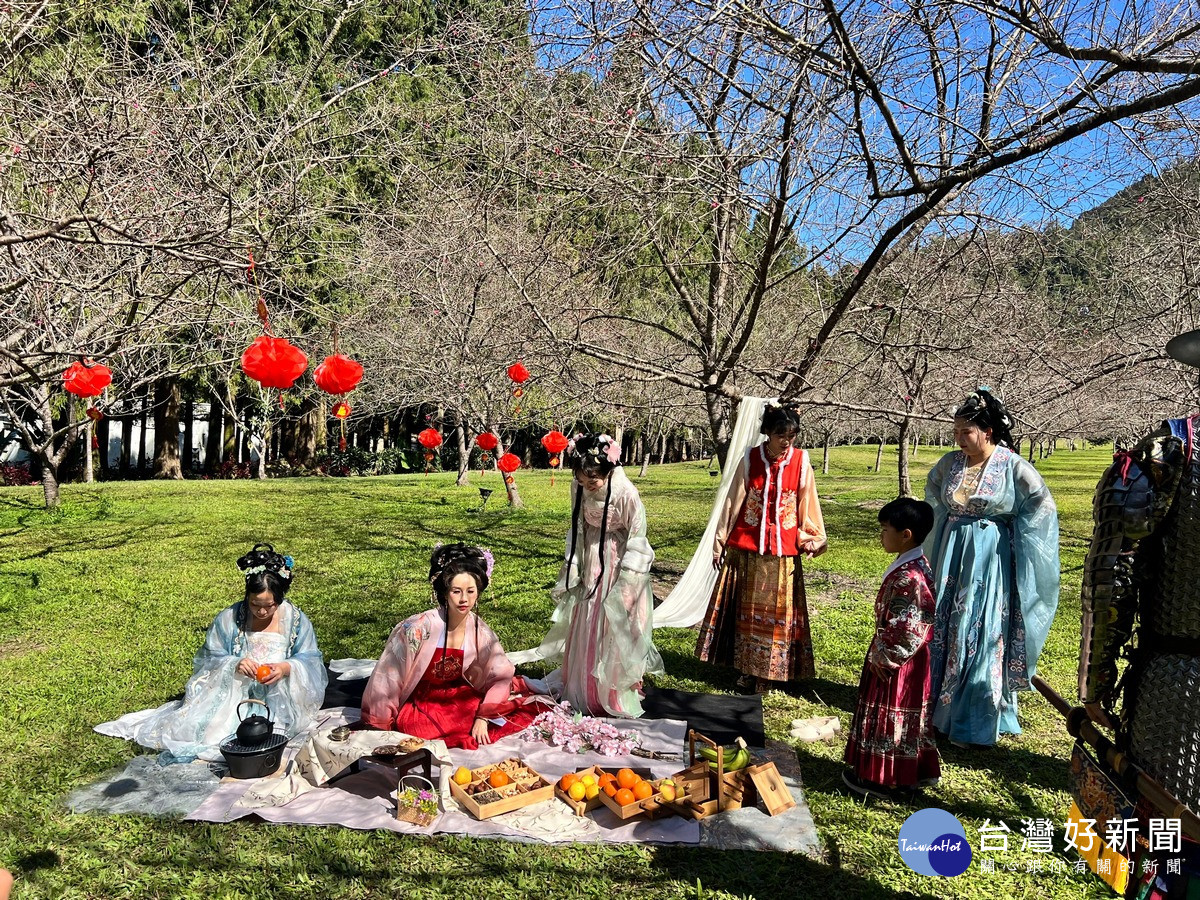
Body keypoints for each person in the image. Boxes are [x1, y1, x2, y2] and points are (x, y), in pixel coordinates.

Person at [1077, 328, 1200, 897]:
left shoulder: (1170, 453)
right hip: (1179, 679)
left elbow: (1112, 577)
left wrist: (1096, 684)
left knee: (1166, 853)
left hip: (1180, 688)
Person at [96, 544, 328, 761]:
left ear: (280, 599)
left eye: (270, 605)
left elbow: (309, 657)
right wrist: (235, 663)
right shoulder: (230, 618)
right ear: (247, 595)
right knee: (211, 735)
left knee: (281, 739)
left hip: (279, 694)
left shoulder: (295, 620)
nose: (262, 611)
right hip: (235, 692)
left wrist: (286, 668)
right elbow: (210, 656)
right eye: (255, 604)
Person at [925, 388, 1060, 747]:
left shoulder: (1013, 466)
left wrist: (1016, 538)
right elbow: (933, 501)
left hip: (990, 559)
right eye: (955, 432)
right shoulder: (948, 464)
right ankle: (935, 710)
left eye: (965, 432)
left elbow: (1040, 506)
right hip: (951, 551)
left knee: (979, 627)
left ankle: (972, 718)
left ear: (987, 431)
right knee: (945, 623)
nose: (958, 439)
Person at [513, 433, 664, 717]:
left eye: (592, 480)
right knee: (587, 614)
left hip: (616, 560)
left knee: (611, 619)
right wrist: (575, 564)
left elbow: (637, 535)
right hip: (591, 555)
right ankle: (581, 685)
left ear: (609, 471)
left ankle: (609, 691)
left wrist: (629, 579)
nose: (586, 485)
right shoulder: (578, 487)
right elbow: (577, 524)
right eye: (582, 480)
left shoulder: (626, 493)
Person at [361, 544, 552, 748]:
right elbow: (388, 678)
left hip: (458, 694)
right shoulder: (417, 628)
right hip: (424, 698)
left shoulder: (480, 630)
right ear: (445, 593)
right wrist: (379, 724)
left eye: (471, 591)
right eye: (456, 591)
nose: (464, 599)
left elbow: (500, 674)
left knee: (488, 719)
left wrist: (483, 717)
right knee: (418, 729)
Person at [695, 402, 827, 692]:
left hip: (782, 553)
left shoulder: (801, 461)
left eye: (791, 435)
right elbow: (732, 502)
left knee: (776, 614)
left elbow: (807, 503)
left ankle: (769, 671)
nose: (786, 441)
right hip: (748, 547)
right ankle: (745, 669)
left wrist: (812, 537)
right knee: (747, 612)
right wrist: (719, 543)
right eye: (781, 434)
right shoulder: (750, 458)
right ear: (767, 432)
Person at [843, 498, 940, 797]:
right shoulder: (914, 565)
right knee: (907, 716)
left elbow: (909, 625)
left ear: (905, 534)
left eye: (885, 529)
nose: (881, 535)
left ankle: (884, 779)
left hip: (897, 662)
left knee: (893, 714)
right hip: (905, 657)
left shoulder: (908, 576)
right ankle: (906, 773)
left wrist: (884, 658)